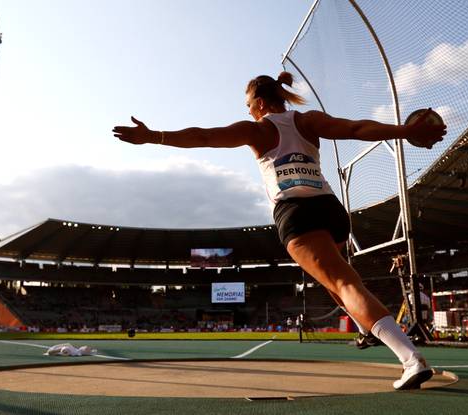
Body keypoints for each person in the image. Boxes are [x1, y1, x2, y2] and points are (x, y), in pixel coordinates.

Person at [113, 71, 446, 390]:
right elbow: (357, 128)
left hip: (297, 214)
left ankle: (410, 359)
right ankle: (364, 328)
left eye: (248, 104)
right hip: (330, 209)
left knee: (343, 282)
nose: (247, 110)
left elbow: (203, 136)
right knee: (334, 280)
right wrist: (404, 131)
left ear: (258, 103)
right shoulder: (307, 120)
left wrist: (153, 137)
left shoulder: (256, 130)